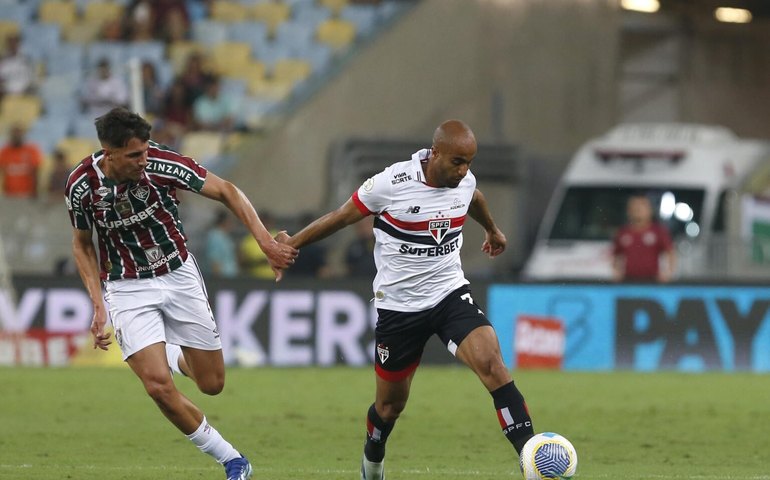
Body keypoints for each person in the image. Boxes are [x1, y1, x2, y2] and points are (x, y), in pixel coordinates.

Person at [277, 120, 535, 479]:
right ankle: (373, 456)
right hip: (399, 309)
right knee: (389, 407)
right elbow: (341, 217)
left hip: (449, 294)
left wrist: (492, 229)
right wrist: (291, 245)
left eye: (469, 163)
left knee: (493, 365)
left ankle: (532, 459)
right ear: (436, 153)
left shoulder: (464, 181)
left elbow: (474, 197)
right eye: (458, 162)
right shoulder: (391, 184)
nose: (464, 171)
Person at [65, 107, 297, 480]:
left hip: (177, 274)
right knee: (157, 387)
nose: (144, 160)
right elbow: (82, 244)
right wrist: (97, 303)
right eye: (134, 155)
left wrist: (265, 242)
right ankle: (233, 460)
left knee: (212, 384)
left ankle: (169, 353)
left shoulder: (163, 163)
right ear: (109, 154)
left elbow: (227, 191)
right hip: (126, 286)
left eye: (145, 151)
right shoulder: (81, 185)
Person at [612, 193, 676, 283]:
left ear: (649, 210)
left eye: (641, 207)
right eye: (634, 207)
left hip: (652, 281)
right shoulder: (623, 232)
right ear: (628, 210)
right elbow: (615, 254)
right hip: (628, 280)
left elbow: (670, 253)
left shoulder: (658, 231)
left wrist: (668, 273)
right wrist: (616, 272)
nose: (638, 210)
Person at [0, 124, 43, 198]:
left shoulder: (32, 150)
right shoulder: (5, 151)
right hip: (9, 194)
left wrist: (34, 192)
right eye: (14, 134)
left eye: (19, 134)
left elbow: (36, 172)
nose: (16, 136)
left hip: (27, 194)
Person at [205, 209, 239, 278]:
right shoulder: (215, 237)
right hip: (223, 278)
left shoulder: (225, 236)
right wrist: (219, 280)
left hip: (231, 277)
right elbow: (214, 260)